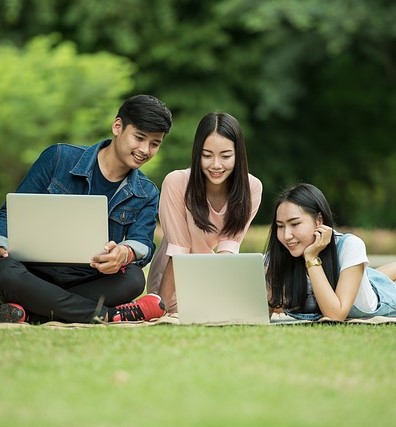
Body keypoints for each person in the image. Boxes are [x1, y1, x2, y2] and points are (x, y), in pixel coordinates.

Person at [0, 94, 173, 324]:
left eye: (155, 144)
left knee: (133, 278)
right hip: (31, 273)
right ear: (117, 126)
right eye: (139, 138)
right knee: (1, 269)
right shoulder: (58, 157)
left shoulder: (147, 192)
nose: (145, 149)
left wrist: (125, 253)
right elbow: (11, 212)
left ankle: (30, 311)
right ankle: (109, 315)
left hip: (89, 279)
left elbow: (141, 242)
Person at [147, 112, 263, 312]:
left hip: (213, 273)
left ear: (238, 154)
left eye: (226, 156)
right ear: (197, 153)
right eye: (207, 155)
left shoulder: (251, 188)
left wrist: (220, 296)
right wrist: (162, 309)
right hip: (171, 278)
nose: (216, 165)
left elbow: (228, 249)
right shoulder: (176, 183)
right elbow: (178, 252)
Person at [265, 183, 396, 321]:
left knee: (374, 279)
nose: (286, 236)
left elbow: (335, 315)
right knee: (369, 275)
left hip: (378, 292)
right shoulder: (278, 256)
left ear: (319, 221)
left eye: (295, 224)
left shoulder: (350, 245)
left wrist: (311, 257)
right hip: (355, 276)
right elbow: (260, 312)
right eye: (280, 226)